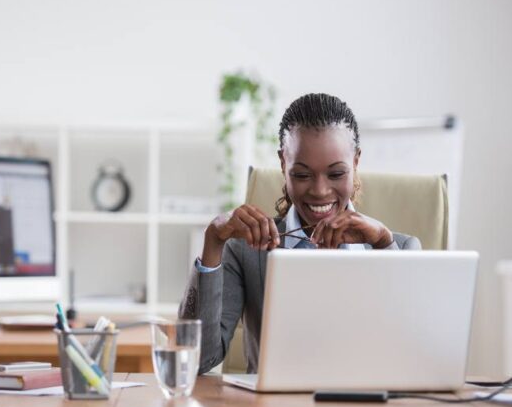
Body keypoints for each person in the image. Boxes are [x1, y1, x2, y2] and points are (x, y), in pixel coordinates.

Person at [179, 93, 421, 375]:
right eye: (302, 175)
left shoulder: (400, 248)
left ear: (356, 162)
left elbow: (410, 357)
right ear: (283, 163)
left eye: (336, 174)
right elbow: (197, 359)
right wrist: (214, 238)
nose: (319, 190)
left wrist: (383, 243)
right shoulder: (245, 250)